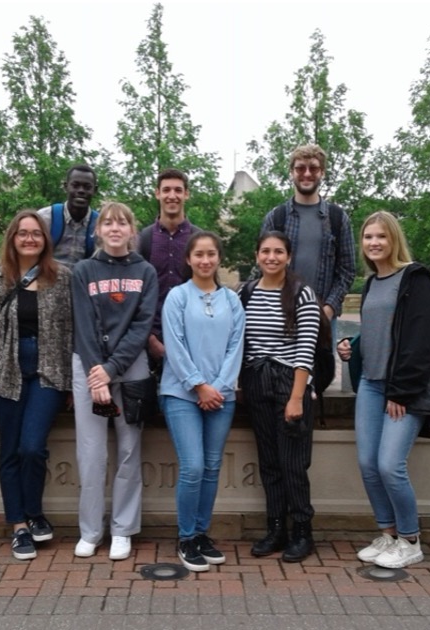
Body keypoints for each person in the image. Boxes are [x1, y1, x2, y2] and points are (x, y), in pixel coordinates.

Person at [336, 212, 430, 569]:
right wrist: (353, 344)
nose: (374, 243)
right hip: (370, 382)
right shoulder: (371, 283)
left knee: (389, 464)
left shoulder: (415, 279)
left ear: (393, 238)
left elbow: (422, 340)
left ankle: (410, 539)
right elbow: (382, 331)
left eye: (381, 236)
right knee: (368, 463)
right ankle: (388, 533)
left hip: (403, 389)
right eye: (368, 237)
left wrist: (400, 392)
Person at [0, 210, 73, 561]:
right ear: (12, 238)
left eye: (36, 233)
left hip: (49, 372)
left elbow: (72, 331)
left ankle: (35, 513)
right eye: (23, 233)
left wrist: (74, 383)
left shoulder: (62, 277)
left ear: (45, 239)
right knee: (11, 451)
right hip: (8, 370)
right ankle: (18, 525)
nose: (30, 239)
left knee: (33, 447)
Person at [71, 201, 159, 561]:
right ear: (98, 230)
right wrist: (98, 372)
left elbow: (141, 326)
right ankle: (91, 531)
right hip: (89, 367)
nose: (115, 228)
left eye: (122, 223)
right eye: (108, 223)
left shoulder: (146, 272)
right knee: (91, 454)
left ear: (131, 231)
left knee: (128, 452)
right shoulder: (83, 270)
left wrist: (112, 368)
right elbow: (83, 323)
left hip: (131, 367)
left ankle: (123, 529)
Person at [160, 230, 245, 572]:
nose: (205, 260)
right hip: (181, 394)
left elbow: (236, 346)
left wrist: (219, 387)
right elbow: (175, 346)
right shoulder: (177, 297)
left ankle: (201, 533)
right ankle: (185, 536)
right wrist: (199, 386)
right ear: (188, 259)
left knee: (211, 468)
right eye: (199, 255)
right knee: (193, 466)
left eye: (211, 254)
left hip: (221, 396)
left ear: (218, 259)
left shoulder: (232, 301)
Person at [240, 231, 321, 562]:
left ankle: (303, 531)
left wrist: (297, 397)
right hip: (257, 381)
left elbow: (307, 346)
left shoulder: (302, 293)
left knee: (293, 463)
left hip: (290, 382)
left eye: (278, 252)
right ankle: (276, 529)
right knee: (270, 463)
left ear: (288, 257)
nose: (271, 257)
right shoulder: (245, 292)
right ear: (257, 255)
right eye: (265, 251)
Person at [257, 144, 355, 346]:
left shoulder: (338, 218)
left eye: (313, 168)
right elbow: (262, 268)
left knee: (320, 376)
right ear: (291, 173)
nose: (307, 174)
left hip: (322, 318)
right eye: (300, 168)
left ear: (322, 173)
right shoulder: (277, 218)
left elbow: (347, 270)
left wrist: (328, 310)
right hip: (280, 317)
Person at [138, 168, 198, 373]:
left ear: (186, 194)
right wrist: (150, 339)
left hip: (192, 338)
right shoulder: (143, 239)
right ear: (157, 193)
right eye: (166, 190)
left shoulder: (198, 239)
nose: (172, 196)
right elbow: (137, 295)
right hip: (151, 339)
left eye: (178, 190)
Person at [37, 164, 99, 267]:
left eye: (87, 187)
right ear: (66, 187)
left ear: (95, 190)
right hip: (46, 278)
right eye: (75, 185)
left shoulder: (100, 225)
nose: (81, 191)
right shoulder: (44, 218)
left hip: (83, 280)